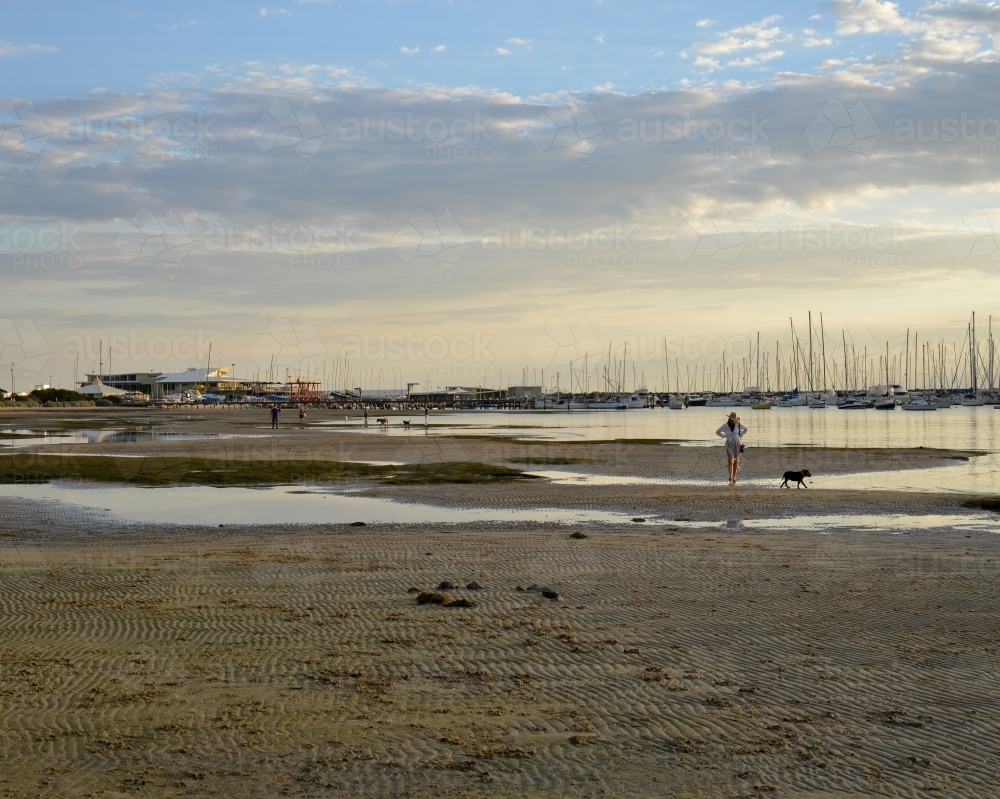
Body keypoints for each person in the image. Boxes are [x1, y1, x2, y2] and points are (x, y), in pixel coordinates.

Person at [715, 412, 747, 485]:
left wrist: (740, 435)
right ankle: (730, 477)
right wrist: (724, 436)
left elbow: (746, 429)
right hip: (729, 444)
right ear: (729, 419)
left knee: (735, 461)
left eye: (734, 420)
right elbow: (717, 432)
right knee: (730, 460)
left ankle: (734, 477)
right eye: (732, 419)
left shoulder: (738, 425)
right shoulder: (725, 426)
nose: (733, 421)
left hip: (737, 444)